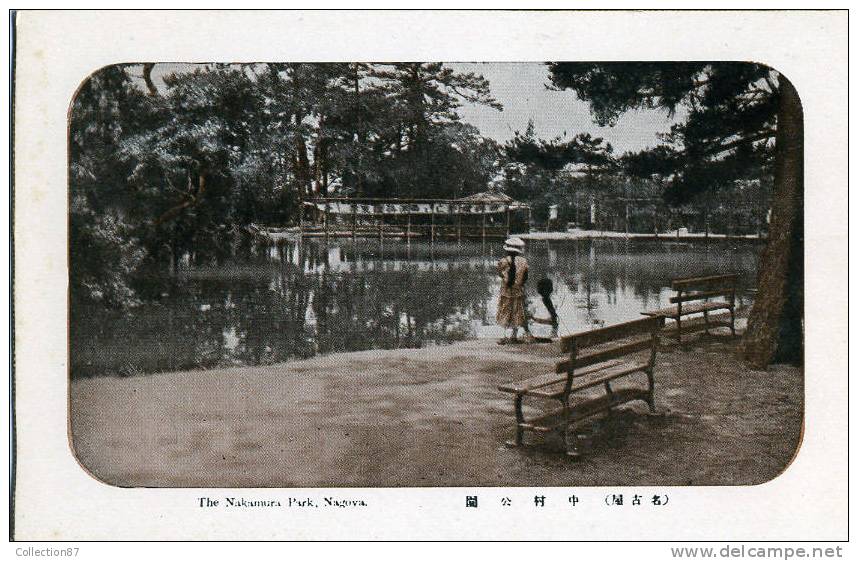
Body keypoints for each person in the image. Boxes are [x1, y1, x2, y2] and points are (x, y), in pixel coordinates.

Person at [496, 237, 532, 343]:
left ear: (507, 249)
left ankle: (505, 335)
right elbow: (525, 277)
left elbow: (500, 274)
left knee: (505, 311)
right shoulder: (524, 261)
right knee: (517, 311)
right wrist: (519, 283)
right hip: (518, 291)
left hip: (506, 291)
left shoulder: (503, 261)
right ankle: (514, 335)